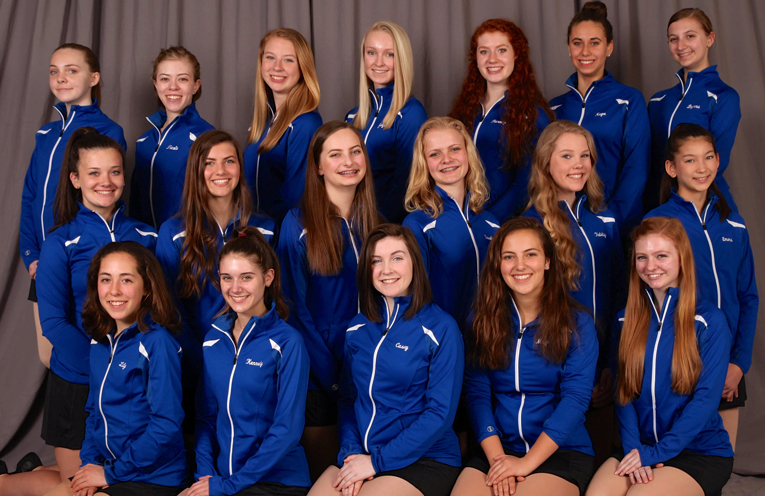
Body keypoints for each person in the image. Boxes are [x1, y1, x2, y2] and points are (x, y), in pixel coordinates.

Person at [12, 128, 157, 496]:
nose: (105, 182)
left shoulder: (146, 236)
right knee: (80, 486)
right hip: (78, 381)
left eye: (114, 171)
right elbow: (54, 323)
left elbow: (158, 307)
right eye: (94, 173)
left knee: (123, 477)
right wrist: (102, 368)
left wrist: (139, 366)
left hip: (134, 378)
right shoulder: (59, 242)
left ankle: (30, 472)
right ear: (75, 179)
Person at [309, 223, 464, 496]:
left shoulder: (441, 328)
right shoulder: (357, 328)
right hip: (364, 455)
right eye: (376, 261)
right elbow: (348, 400)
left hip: (425, 459)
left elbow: (439, 414)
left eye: (397, 258)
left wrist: (375, 463)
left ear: (414, 262)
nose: (386, 270)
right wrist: (352, 454)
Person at [586, 217, 733, 496]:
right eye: (642, 257)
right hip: (638, 445)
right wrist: (635, 450)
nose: (650, 266)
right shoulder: (624, 320)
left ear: (682, 258)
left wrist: (655, 454)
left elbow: (705, 400)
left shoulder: (709, 321)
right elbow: (623, 393)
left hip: (697, 451)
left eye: (661, 256)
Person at [452, 217, 598, 496]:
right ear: (498, 264)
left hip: (560, 451)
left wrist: (524, 464)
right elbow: (477, 394)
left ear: (547, 261)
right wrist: (500, 461)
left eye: (530, 254)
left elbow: (575, 400)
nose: (520, 265)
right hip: (497, 448)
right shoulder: (480, 321)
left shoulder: (578, 323)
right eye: (509, 256)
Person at [644, 123, 758, 452]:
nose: (701, 167)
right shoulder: (658, 223)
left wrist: (738, 364)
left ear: (718, 160)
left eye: (708, 157)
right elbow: (648, 298)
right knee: (673, 459)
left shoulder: (734, 224)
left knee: (718, 463)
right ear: (672, 168)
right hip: (680, 361)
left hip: (727, 365)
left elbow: (748, 297)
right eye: (690, 160)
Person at [278, 121, 379, 480]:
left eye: (355, 152)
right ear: (319, 166)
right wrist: (333, 379)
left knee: (367, 478)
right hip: (319, 379)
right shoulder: (297, 224)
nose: (348, 162)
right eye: (335, 154)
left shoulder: (377, 224)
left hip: (372, 373)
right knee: (328, 479)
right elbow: (291, 310)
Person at [44, 242, 186, 496]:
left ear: (147, 287)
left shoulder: (157, 343)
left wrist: (112, 473)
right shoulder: (100, 342)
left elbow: (166, 424)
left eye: (126, 280)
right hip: (110, 467)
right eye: (106, 280)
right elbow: (93, 413)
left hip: (153, 476)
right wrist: (90, 465)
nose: (114, 290)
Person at [155, 130, 275, 430]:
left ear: (240, 168)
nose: (220, 171)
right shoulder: (173, 232)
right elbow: (169, 311)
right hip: (195, 364)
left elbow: (276, 300)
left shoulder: (266, 228)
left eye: (229, 161)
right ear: (196, 170)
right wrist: (206, 360)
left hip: (255, 365)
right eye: (209, 163)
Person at [523, 121, 625, 462]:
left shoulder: (605, 219)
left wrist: (610, 364)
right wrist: (578, 376)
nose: (578, 164)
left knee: (601, 463)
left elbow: (620, 295)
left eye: (585, 156)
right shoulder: (531, 224)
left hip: (605, 367)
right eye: (566, 156)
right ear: (545, 161)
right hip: (558, 370)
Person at [20, 43, 126, 369]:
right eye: (54, 71)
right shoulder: (45, 134)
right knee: (49, 354)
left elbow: (108, 196)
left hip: (82, 257)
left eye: (71, 70)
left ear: (93, 78)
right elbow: (30, 196)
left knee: (91, 349)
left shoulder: (106, 131)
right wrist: (32, 254)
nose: (61, 78)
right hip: (45, 260)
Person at [185, 227, 310, 496]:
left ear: (268, 277)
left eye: (246, 277)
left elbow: (287, 429)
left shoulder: (288, 342)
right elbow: (206, 418)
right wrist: (205, 476)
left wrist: (228, 486)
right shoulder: (213, 339)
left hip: (277, 481)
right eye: (227, 278)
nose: (235, 288)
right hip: (225, 478)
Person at [549, 1, 650, 232]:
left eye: (594, 43)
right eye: (577, 43)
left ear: (609, 47)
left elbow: (637, 169)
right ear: (569, 47)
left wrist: (610, 219)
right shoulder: (554, 107)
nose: (585, 52)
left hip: (615, 224)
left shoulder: (629, 100)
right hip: (564, 225)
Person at [450, 18, 554, 223]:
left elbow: (527, 183)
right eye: (484, 51)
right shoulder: (465, 109)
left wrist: (489, 222)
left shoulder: (533, 116)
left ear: (516, 54)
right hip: (459, 218)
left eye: (501, 50)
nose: (492, 59)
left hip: (500, 224)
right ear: (475, 57)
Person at [403, 116, 498, 334]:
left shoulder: (491, 223)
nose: (447, 159)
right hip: (446, 341)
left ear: (467, 153)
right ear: (424, 163)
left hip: (492, 341)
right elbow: (414, 301)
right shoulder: (417, 225)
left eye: (454, 149)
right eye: (435, 154)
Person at [645, 8, 741, 212]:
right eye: (674, 39)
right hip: (658, 204)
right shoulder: (658, 100)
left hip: (703, 206)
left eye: (690, 36)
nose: (681, 46)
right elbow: (648, 161)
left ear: (709, 39)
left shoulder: (723, 97)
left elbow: (715, 165)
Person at [345, 21, 428, 223]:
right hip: (352, 222)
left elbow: (406, 183)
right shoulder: (353, 116)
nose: (378, 62)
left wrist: (375, 225)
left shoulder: (411, 113)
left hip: (384, 227)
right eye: (371, 53)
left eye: (389, 54)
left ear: (402, 59)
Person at [131, 46, 215, 229]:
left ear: (195, 86)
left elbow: (216, 203)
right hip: (145, 242)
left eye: (182, 79)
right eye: (165, 79)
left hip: (184, 241)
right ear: (156, 85)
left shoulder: (206, 137)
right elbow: (135, 203)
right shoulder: (144, 141)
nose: (173, 86)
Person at [244, 28, 323, 223]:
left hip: (280, 233)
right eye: (270, 57)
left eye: (288, 60)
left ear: (303, 67)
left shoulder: (306, 123)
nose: (277, 67)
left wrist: (267, 230)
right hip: (254, 231)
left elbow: (295, 200)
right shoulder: (264, 120)